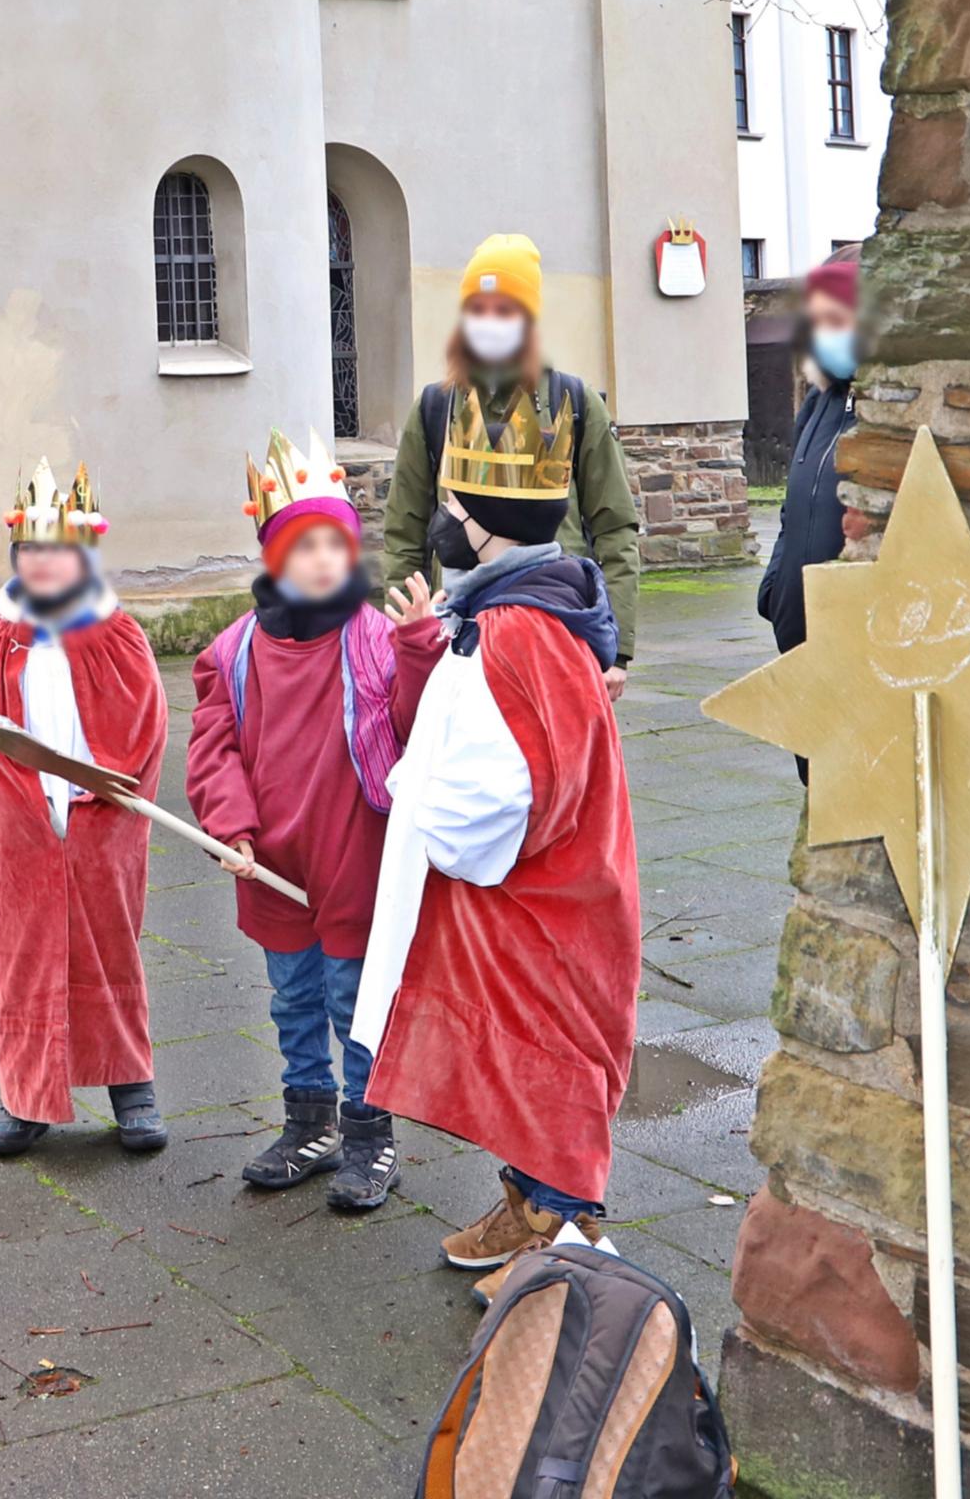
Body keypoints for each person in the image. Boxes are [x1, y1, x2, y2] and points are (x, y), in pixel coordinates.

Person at [354, 384, 640, 1306]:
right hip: (521, 898)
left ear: (482, 522)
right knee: (513, 1052)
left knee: (544, 1055)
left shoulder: (522, 632)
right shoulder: (507, 612)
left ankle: (565, 1234)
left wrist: (417, 811)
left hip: (544, 899)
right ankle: (526, 1202)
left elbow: (508, 796)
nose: (437, 515)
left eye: (451, 502)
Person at [186, 428, 445, 1211]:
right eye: (305, 546)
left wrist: (421, 649)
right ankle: (310, 1122)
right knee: (292, 997)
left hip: (350, 852)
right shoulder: (232, 651)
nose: (325, 559)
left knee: (353, 997)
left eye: (337, 543)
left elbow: (412, 728)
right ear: (275, 558)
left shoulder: (373, 637)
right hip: (269, 858)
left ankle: (370, 1133)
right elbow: (213, 747)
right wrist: (231, 825)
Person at [0, 458, 170, 1159]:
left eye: (59, 552)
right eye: (33, 552)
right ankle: (25, 1095)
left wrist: (103, 795)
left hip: (98, 818)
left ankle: (129, 1084)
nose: (45, 564)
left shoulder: (118, 637)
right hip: (22, 821)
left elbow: (142, 730)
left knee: (108, 947)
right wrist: (19, 809)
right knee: (22, 956)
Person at [382, 233, 641, 701]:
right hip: (454, 621)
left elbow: (616, 526)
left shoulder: (575, 403)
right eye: (478, 310)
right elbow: (405, 529)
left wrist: (616, 649)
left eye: (504, 310)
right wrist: (402, 628)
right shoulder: (435, 407)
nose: (489, 322)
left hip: (554, 621)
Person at [758, 248, 861, 658]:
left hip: (856, 631)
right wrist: (775, 589)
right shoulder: (818, 404)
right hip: (796, 628)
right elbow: (792, 510)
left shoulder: (895, 412)